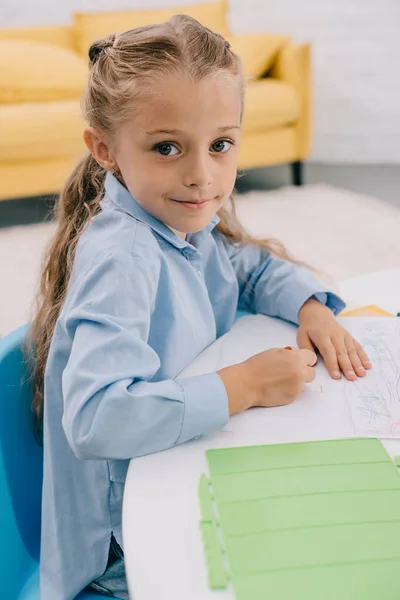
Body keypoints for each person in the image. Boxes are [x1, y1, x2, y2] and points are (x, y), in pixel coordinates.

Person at [28, 15, 371, 600]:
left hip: (181, 466)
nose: (201, 175)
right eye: (167, 147)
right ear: (104, 149)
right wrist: (243, 385)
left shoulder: (179, 222)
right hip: (121, 553)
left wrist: (311, 305)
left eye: (221, 145)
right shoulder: (123, 257)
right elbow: (95, 417)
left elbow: (249, 266)